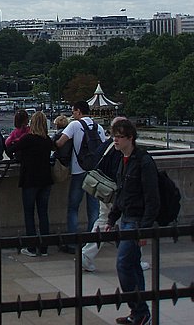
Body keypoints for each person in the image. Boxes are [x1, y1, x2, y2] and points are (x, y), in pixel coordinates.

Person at [106, 119, 160, 325]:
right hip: (127, 218)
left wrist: (144, 229)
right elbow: (121, 193)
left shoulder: (144, 161)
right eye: (114, 136)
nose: (115, 140)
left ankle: (140, 311)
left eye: (119, 137)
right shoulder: (124, 159)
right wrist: (112, 218)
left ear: (130, 138)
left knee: (124, 265)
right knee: (133, 266)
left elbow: (152, 198)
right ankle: (140, 313)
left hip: (136, 221)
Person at [81, 117, 143, 273]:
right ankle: (134, 259)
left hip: (104, 190)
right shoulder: (119, 149)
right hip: (116, 193)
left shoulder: (105, 146)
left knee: (103, 221)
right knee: (127, 224)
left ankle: (86, 255)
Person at [55, 100, 106, 247]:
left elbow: (60, 143)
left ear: (78, 111)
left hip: (78, 171)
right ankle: (92, 241)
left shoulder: (74, 125)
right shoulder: (99, 128)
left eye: (73, 111)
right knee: (94, 209)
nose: (73, 114)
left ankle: (72, 241)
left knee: (73, 207)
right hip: (94, 172)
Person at [12, 111, 54, 257]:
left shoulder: (28, 139)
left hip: (30, 180)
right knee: (43, 213)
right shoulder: (47, 140)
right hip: (46, 180)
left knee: (29, 214)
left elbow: (10, 149)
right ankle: (44, 248)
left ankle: (31, 247)